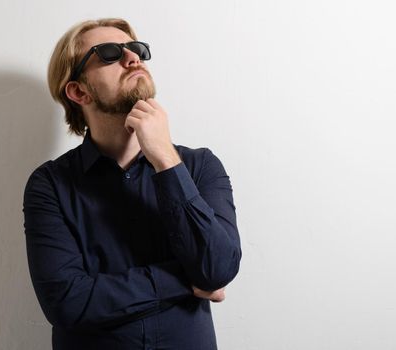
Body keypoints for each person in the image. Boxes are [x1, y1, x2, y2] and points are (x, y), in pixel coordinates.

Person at [23, 18, 241, 350]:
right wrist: (185, 279)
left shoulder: (199, 167)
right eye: (109, 53)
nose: (133, 58)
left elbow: (217, 268)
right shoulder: (50, 185)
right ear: (78, 91)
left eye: (136, 49)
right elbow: (67, 302)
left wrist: (165, 159)